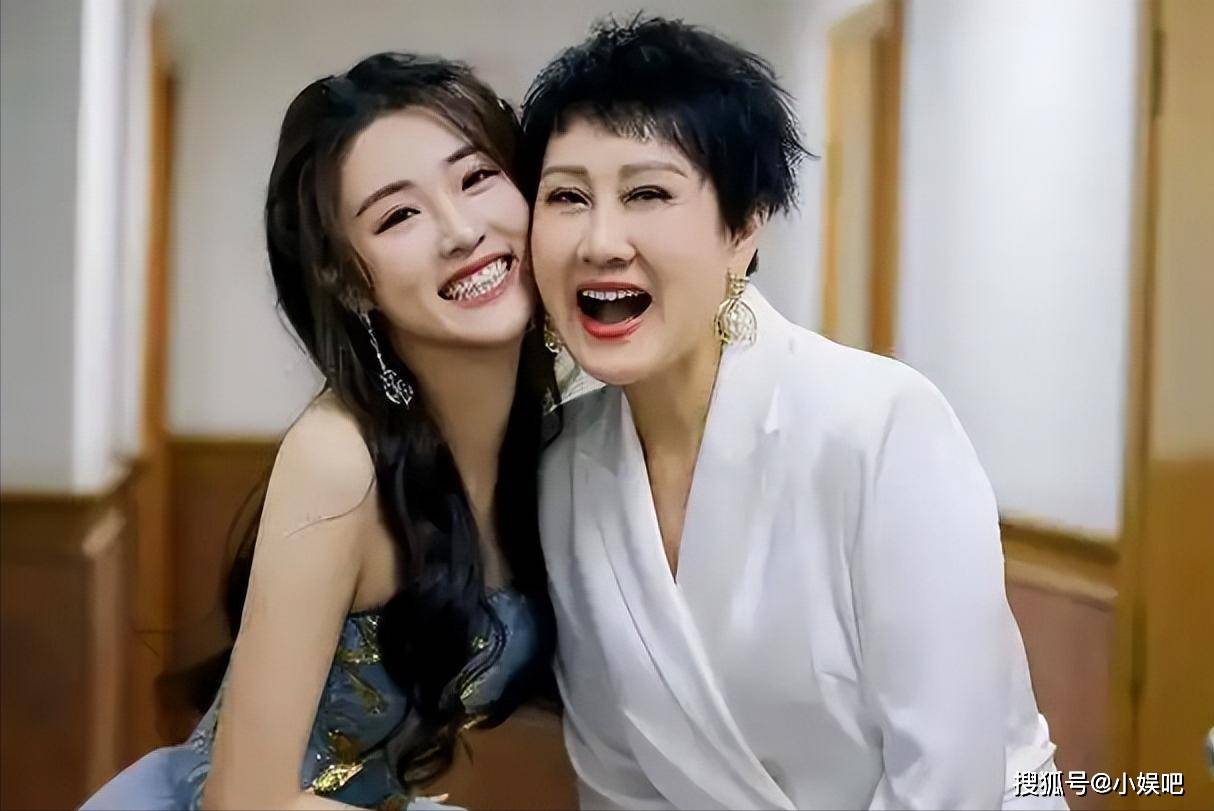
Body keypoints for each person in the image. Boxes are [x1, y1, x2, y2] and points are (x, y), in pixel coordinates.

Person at [523, 17, 1065, 810]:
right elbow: (616, 773)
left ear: (744, 226)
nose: (601, 241)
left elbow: (950, 775)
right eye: (567, 197)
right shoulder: (561, 467)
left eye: (647, 193)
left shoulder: (881, 425)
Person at [82, 52, 560, 810]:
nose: (462, 230)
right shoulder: (338, 458)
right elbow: (245, 800)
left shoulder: (558, 438)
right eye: (399, 216)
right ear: (350, 280)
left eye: (476, 178)